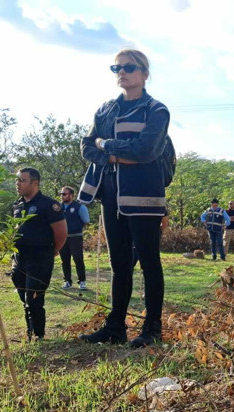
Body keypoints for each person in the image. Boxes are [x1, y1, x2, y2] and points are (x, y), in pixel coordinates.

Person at [78, 48, 170, 348]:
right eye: (116, 68)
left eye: (129, 67)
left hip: (144, 197)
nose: (122, 73)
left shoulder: (156, 110)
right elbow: (86, 147)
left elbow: (146, 151)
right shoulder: (105, 110)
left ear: (144, 73)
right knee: (119, 265)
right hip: (111, 197)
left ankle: (152, 328)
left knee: (149, 263)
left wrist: (106, 145)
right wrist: (116, 155)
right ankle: (115, 326)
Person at [12, 168, 67, 341]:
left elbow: (61, 233)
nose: (18, 183)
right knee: (23, 296)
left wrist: (54, 250)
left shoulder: (49, 205)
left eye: (22, 180)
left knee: (34, 297)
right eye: (17, 180)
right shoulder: (17, 205)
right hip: (19, 258)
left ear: (35, 183)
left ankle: (39, 335)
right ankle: (30, 332)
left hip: (39, 257)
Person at [58, 186, 90, 290]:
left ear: (71, 195)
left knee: (78, 260)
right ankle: (67, 281)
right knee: (64, 260)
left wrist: (75, 228)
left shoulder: (80, 207)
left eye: (64, 194)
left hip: (75, 237)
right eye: (61, 194)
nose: (62, 196)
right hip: (63, 238)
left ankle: (82, 281)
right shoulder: (58, 207)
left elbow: (86, 221)